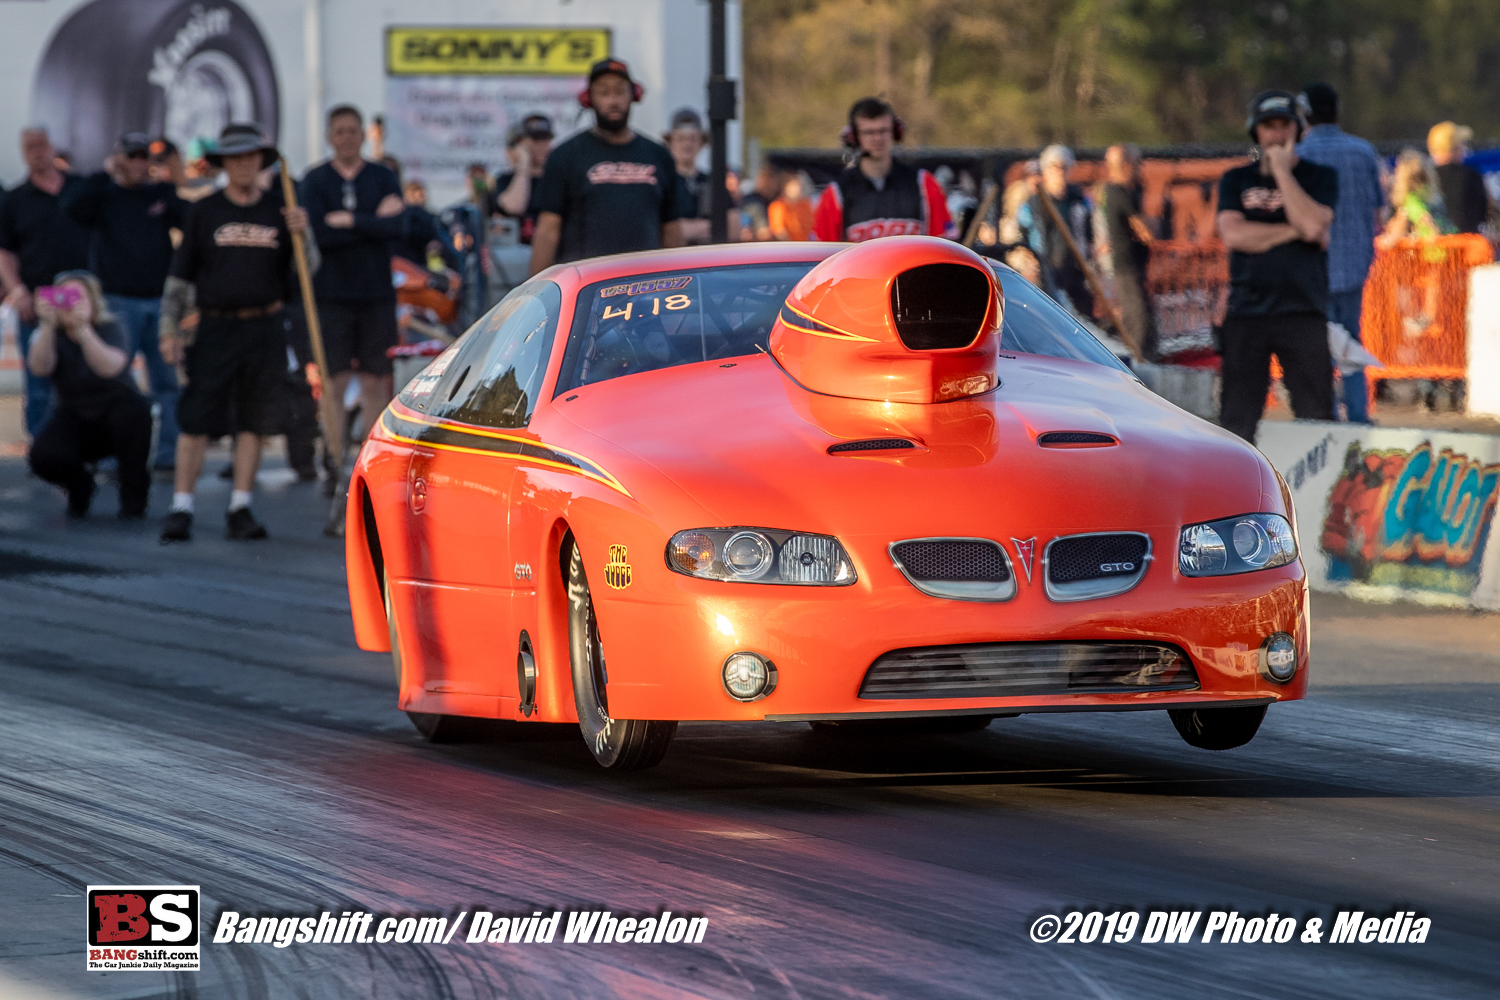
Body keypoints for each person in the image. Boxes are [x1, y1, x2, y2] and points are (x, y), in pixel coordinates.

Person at [157, 124, 312, 542]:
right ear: (223, 164)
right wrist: (169, 328)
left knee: (255, 418)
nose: (244, 165)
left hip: (264, 325)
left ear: (261, 162)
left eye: (251, 158)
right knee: (196, 415)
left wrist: (303, 235)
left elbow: (306, 273)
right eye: (235, 158)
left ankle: (240, 505)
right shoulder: (204, 210)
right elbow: (180, 275)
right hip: (215, 325)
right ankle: (181, 506)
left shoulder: (280, 210)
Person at [1215, 90, 1339, 443]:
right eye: (1269, 126)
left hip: (1303, 310)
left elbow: (1315, 226)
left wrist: (1284, 174)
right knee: (1237, 418)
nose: (1277, 134)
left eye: (1285, 125)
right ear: (1256, 131)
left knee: (1316, 416)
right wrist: (1294, 229)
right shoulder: (1235, 180)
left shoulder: (1320, 177)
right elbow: (1235, 235)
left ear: (1298, 129)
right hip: (1247, 311)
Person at [62, 131, 188, 467]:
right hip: (118, 301)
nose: (138, 163)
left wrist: (176, 177)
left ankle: (168, 455)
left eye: (143, 156)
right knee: (113, 379)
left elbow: (189, 219)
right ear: (120, 159)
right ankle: (108, 454)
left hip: (158, 301)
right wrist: (107, 172)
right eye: (131, 156)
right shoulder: (104, 193)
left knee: (166, 382)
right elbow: (71, 207)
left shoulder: (160, 194)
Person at [300, 105, 405, 455]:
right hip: (332, 294)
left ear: (362, 135)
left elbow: (395, 227)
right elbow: (320, 235)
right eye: (340, 131)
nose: (347, 137)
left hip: (376, 294)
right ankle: (332, 459)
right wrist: (370, 222)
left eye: (353, 131)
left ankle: (370, 458)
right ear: (331, 137)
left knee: (375, 379)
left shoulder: (383, 177)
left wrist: (349, 221)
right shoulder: (315, 180)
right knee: (335, 380)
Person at [529, 59, 683, 273]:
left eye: (620, 92)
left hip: (648, 287)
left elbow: (671, 228)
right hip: (587, 289)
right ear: (588, 98)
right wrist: (536, 296)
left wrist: (681, 285)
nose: (613, 100)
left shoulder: (659, 155)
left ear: (634, 95)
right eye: (603, 93)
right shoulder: (565, 156)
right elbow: (547, 230)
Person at [25, 270, 153, 519]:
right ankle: (80, 486)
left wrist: (84, 330)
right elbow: (39, 368)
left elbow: (111, 368)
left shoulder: (111, 326)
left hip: (117, 408)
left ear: (93, 301)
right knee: (43, 455)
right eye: (64, 297)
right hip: (74, 412)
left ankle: (133, 501)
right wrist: (48, 325)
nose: (70, 304)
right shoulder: (50, 334)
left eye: (77, 297)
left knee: (135, 415)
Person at [1296, 82, 1384, 423]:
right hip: (1354, 263)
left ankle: (1324, 417)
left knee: (1317, 348)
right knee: (1352, 342)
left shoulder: (1299, 155)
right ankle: (1359, 415)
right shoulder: (1362, 151)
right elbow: (1377, 211)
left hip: (1312, 266)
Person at [0, 127, 90, 436]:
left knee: (87, 376)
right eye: (30, 147)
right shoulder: (15, 199)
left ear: (53, 147)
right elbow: (5, 251)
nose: (38, 152)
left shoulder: (80, 189)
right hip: (39, 298)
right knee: (39, 380)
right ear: (23, 154)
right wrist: (17, 291)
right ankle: (43, 450)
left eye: (41, 145)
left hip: (83, 297)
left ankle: (89, 445)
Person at [811, 97, 952, 243]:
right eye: (869, 132)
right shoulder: (836, 194)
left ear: (896, 132)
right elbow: (821, 255)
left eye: (883, 131)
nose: (877, 138)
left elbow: (945, 246)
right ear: (853, 137)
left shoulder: (924, 184)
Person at [1018, 144, 1093, 316]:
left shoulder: (1080, 201)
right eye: (1054, 167)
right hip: (1045, 271)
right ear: (1045, 171)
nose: (1059, 172)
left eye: (1064, 167)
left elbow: (1090, 235)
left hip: (1076, 270)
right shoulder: (1032, 204)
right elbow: (1020, 237)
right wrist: (1028, 264)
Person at [1099, 144, 1158, 361]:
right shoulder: (1117, 192)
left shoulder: (1123, 192)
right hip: (1126, 265)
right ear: (1126, 166)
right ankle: (1140, 362)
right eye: (1136, 164)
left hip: (1132, 264)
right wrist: (1153, 225)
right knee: (1138, 319)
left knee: (1140, 316)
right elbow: (1144, 231)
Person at [493, 114, 553, 243]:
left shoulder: (557, 179)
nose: (543, 145)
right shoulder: (505, 180)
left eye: (546, 139)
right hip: (516, 255)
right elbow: (514, 207)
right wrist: (524, 163)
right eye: (536, 140)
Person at [1427, 121, 1492, 236]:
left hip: (1432, 248)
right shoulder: (1471, 176)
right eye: (1462, 144)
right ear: (1455, 148)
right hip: (1467, 247)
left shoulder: (1424, 178)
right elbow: (1485, 213)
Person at [768, 171, 815, 241]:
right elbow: (779, 231)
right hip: (788, 248)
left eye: (799, 185)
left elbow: (813, 228)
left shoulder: (806, 205)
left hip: (806, 247)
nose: (798, 189)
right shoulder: (777, 206)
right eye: (793, 185)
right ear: (785, 187)